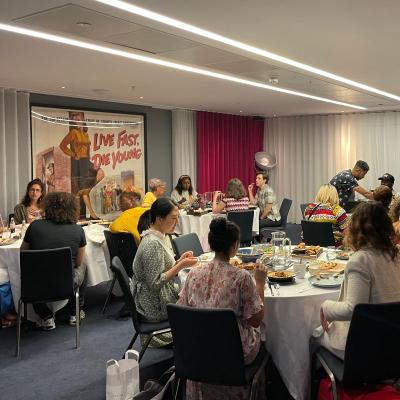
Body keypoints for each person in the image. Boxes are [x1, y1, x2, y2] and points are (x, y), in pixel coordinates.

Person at [178, 218, 266, 399]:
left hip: (197, 349)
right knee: (265, 334)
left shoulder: (193, 273)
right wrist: (260, 283)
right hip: (234, 354)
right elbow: (256, 319)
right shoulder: (241, 277)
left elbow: (182, 310)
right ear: (235, 246)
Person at [317, 202, 400, 359]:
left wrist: (325, 306)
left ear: (356, 229)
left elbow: (352, 309)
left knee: (311, 335)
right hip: (393, 341)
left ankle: (307, 382)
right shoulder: (395, 253)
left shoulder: (361, 260)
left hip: (366, 348)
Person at [132, 198, 197, 345]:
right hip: (153, 305)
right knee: (197, 301)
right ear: (159, 219)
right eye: (173, 218)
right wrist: (180, 266)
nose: (176, 223)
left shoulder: (159, 236)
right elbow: (155, 283)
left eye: (177, 218)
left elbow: (161, 269)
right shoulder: (152, 244)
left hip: (153, 297)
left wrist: (179, 261)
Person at [20, 192, 87, 330]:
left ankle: (45, 317)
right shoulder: (78, 230)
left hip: (36, 286)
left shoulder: (35, 226)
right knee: (84, 266)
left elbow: (23, 255)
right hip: (66, 283)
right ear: (72, 209)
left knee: (29, 273)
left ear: (47, 207)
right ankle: (75, 312)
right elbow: (78, 263)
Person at [59, 111, 101, 219]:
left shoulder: (85, 134)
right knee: (79, 190)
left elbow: (87, 150)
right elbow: (62, 145)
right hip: (77, 162)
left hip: (86, 162)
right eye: (74, 118)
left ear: (83, 119)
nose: (77, 120)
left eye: (78, 118)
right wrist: (73, 154)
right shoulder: (73, 132)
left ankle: (90, 213)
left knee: (100, 174)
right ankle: (81, 215)